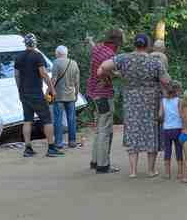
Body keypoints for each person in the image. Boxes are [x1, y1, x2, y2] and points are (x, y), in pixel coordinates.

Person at [99, 33, 171, 178]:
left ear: (134, 44)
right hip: (151, 101)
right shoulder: (155, 61)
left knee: (133, 132)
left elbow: (103, 67)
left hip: (131, 101)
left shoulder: (124, 58)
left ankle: (133, 171)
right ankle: (151, 170)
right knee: (152, 133)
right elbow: (166, 81)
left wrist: (116, 75)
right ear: (148, 45)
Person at [14, 33, 63, 158]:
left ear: (25, 43)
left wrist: (20, 90)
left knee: (27, 120)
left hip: (24, 93)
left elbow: (17, 75)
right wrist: (52, 89)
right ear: (35, 43)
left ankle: (28, 148)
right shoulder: (37, 56)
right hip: (36, 92)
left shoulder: (18, 57)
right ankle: (51, 148)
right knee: (47, 119)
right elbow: (43, 74)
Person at [87, 28, 124, 173]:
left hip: (93, 93)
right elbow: (102, 71)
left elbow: (92, 46)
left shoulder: (99, 48)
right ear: (118, 40)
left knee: (99, 128)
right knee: (105, 130)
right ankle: (103, 165)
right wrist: (114, 76)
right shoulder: (110, 55)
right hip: (103, 94)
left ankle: (95, 161)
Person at [51, 45, 81, 149]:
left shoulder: (56, 62)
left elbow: (54, 79)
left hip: (58, 96)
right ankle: (72, 141)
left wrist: (50, 91)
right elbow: (77, 82)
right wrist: (76, 94)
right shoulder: (74, 63)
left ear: (58, 53)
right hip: (71, 95)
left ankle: (59, 142)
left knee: (58, 119)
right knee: (71, 119)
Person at [159, 80, 184, 180]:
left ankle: (167, 173)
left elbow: (160, 115)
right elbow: (181, 115)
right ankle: (180, 173)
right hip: (178, 128)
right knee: (179, 150)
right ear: (176, 91)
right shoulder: (179, 101)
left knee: (167, 151)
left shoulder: (163, 101)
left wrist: (161, 120)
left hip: (166, 129)